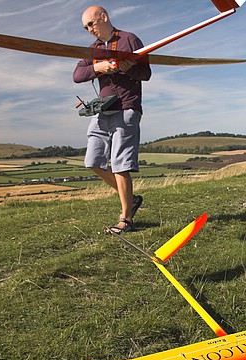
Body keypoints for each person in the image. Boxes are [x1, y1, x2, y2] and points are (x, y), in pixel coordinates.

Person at [73, 6, 151, 233]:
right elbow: (77, 75)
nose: (89, 30)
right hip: (102, 111)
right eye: (86, 27)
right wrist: (98, 67)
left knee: (120, 164)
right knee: (93, 161)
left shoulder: (129, 39)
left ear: (103, 17)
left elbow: (146, 73)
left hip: (127, 109)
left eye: (91, 24)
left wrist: (127, 69)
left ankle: (126, 219)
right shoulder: (93, 49)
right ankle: (131, 198)